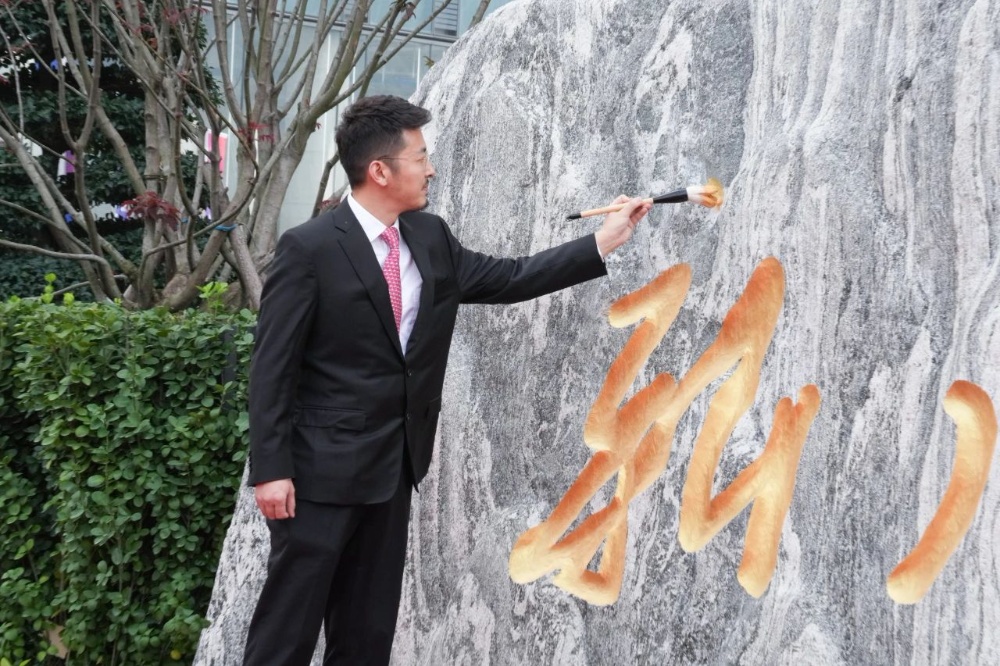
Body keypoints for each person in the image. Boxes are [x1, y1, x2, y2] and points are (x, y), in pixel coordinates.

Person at [242, 94, 651, 665]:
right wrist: (271, 470)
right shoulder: (309, 248)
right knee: (286, 636)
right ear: (380, 170)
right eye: (420, 157)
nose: (430, 168)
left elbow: (511, 278)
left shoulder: (429, 237)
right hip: (317, 478)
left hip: (393, 472)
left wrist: (604, 239)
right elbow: (272, 367)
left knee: (365, 637)